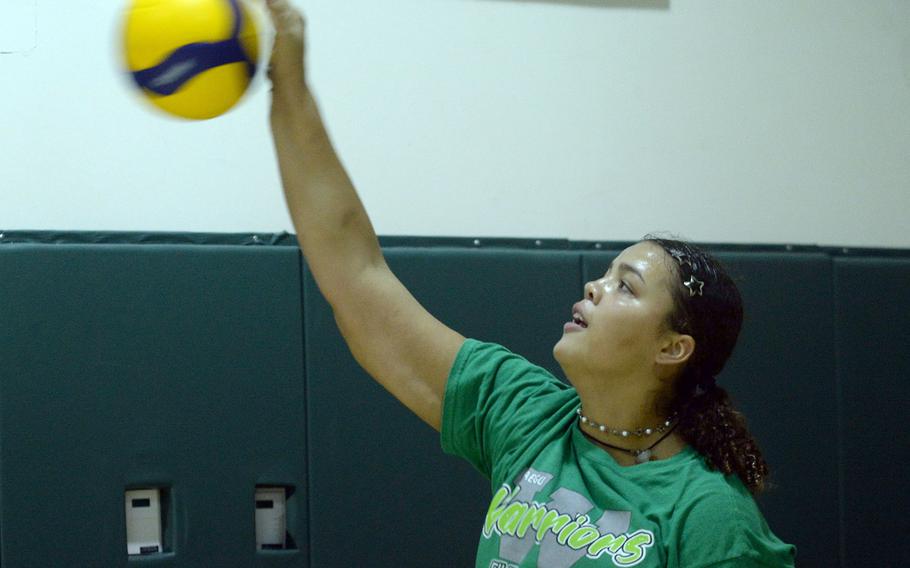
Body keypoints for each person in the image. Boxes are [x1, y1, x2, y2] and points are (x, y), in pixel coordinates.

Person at [264, 1, 797, 566]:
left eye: (627, 286)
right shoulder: (524, 413)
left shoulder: (710, 514)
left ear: (672, 347)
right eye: (606, 273)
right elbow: (356, 278)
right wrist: (290, 88)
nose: (595, 286)